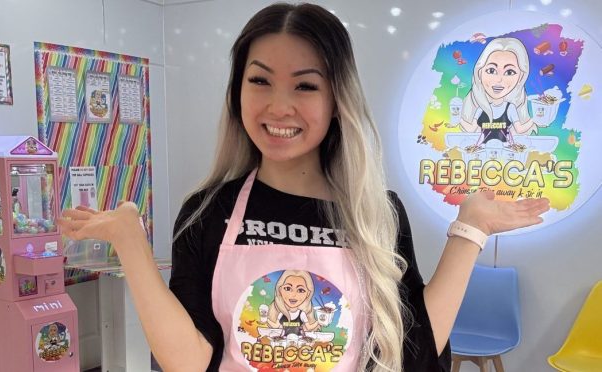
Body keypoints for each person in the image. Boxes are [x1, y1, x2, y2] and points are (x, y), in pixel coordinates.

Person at [58, 3, 550, 371]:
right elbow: (190, 361)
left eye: (305, 85)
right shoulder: (209, 211)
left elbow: (414, 353)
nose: (278, 106)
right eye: (260, 81)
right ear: (237, 92)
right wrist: (130, 243)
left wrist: (470, 229)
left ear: (337, 99)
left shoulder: (377, 213)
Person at [459, 37, 538, 143]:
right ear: (479, 72)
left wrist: (535, 121)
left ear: (521, 77)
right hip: (482, 152)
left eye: (509, 72)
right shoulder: (480, 108)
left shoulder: (511, 108)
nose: (499, 80)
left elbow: (519, 129)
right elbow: (471, 129)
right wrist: (457, 119)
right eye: (491, 70)